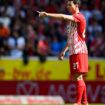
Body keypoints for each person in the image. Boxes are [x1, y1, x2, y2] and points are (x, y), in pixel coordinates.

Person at [37, 0, 88, 105]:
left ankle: (78, 103)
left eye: (70, 5)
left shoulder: (79, 17)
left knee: (78, 77)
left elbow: (63, 17)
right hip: (73, 51)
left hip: (79, 50)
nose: (68, 7)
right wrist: (64, 51)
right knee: (77, 77)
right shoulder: (71, 23)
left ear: (76, 5)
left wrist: (47, 14)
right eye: (67, 5)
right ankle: (84, 102)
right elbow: (70, 39)